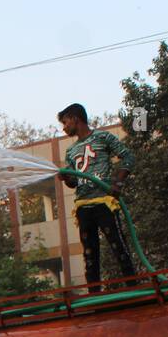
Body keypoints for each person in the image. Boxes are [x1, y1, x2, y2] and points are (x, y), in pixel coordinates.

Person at [58, 103, 136, 291]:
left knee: (118, 245)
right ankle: (94, 293)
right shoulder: (71, 151)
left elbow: (128, 157)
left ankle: (134, 286)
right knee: (89, 253)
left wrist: (117, 182)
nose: (64, 127)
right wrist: (66, 178)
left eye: (65, 122)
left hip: (103, 201)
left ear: (76, 119)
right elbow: (75, 182)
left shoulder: (103, 137)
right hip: (83, 205)